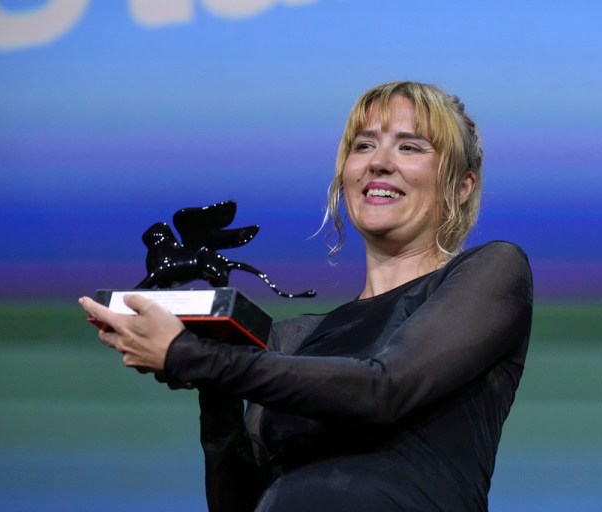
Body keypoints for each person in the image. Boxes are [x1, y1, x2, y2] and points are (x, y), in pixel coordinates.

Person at [80, 81, 533, 511]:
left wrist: (193, 357)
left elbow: (383, 389)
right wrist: (216, 395)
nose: (378, 162)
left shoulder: (493, 270)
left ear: (461, 186)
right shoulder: (292, 338)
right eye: (363, 145)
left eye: (410, 146)